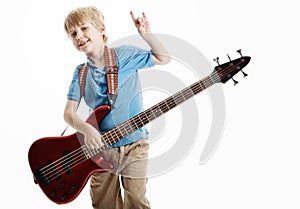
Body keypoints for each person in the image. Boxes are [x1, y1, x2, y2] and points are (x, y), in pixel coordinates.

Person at [63, 6, 170, 209]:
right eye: (73, 34)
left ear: (101, 29)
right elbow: (69, 113)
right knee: (104, 203)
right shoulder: (81, 73)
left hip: (135, 143)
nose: (79, 36)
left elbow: (164, 58)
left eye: (84, 28)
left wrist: (147, 36)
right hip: (101, 149)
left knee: (137, 200)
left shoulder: (126, 55)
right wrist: (87, 130)